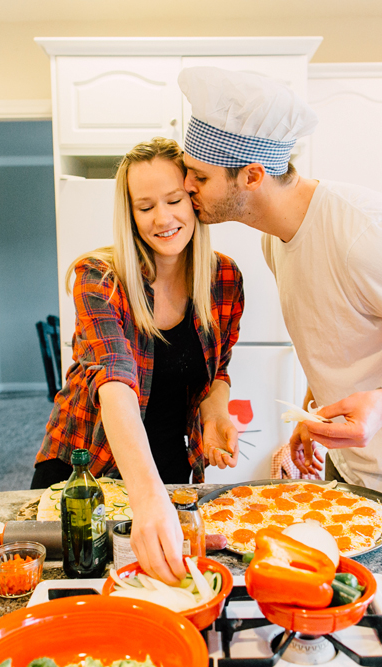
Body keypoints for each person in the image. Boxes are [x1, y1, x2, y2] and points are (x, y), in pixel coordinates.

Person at [178, 67, 382, 652]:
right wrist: (310, 418)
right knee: (371, 638)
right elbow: (342, 344)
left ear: (251, 175)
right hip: (353, 477)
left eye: (199, 175)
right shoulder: (274, 241)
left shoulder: (366, 230)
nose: (187, 187)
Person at [33, 137, 244, 584]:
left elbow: (216, 371)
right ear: (128, 214)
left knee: (160, 588)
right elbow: (115, 386)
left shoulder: (224, 277)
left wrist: (215, 413)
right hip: (84, 470)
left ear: (194, 200)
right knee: (84, 591)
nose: (163, 218)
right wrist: (149, 500)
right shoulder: (98, 277)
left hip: (166, 468)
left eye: (174, 200)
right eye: (145, 206)